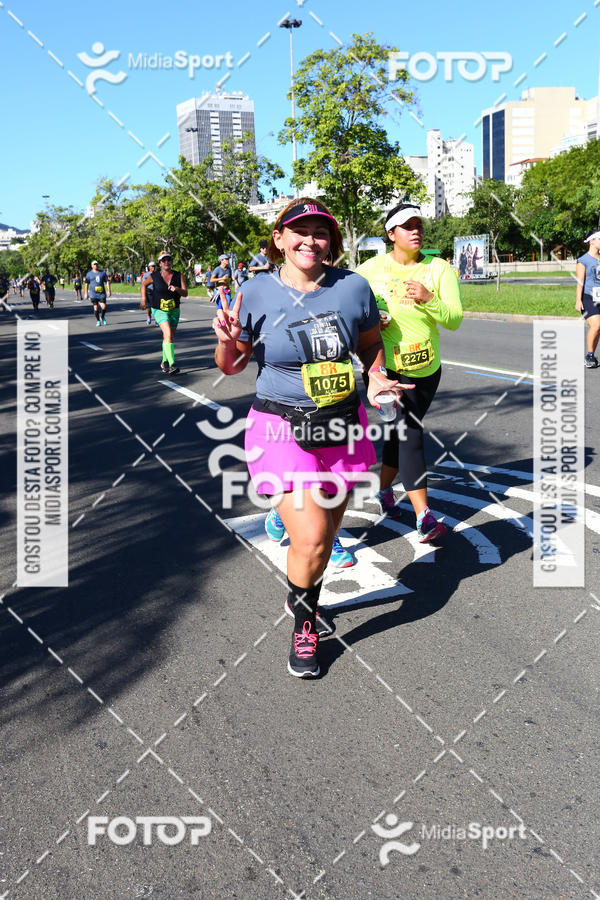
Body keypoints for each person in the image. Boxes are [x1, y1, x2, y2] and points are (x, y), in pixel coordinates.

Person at [213, 197, 410, 678]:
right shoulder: (255, 291)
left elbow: (368, 346)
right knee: (313, 536)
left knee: (322, 544)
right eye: (299, 231)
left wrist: (377, 376)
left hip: (341, 422)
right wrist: (226, 339)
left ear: (332, 242)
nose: (310, 240)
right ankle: (305, 625)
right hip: (280, 424)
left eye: (321, 232)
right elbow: (233, 365)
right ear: (279, 239)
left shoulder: (353, 288)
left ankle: (302, 590)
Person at [356, 202, 463, 542]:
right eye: (407, 226)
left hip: (427, 370)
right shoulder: (367, 271)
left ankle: (384, 491)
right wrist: (374, 319)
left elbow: (454, 320)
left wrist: (430, 298)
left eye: (418, 224)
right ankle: (424, 516)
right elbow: (352, 314)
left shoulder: (439, 269)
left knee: (397, 434)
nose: (415, 230)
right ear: (391, 234)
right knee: (409, 432)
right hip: (384, 369)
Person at [140, 250, 187, 375]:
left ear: (171, 262)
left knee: (169, 337)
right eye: (164, 260)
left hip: (174, 310)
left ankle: (164, 361)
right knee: (167, 333)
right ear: (160, 263)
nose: (167, 262)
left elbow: (185, 293)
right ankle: (172, 364)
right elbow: (144, 285)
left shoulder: (178, 275)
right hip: (159, 309)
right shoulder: (154, 276)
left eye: (169, 259)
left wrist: (177, 289)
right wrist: (144, 299)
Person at [575, 230, 600, 368]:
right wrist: (578, 300)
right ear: (592, 241)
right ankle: (589, 356)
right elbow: (580, 282)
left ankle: (592, 355)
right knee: (596, 325)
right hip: (588, 297)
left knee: (598, 328)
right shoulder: (583, 260)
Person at [85, 260, 111, 326]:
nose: (95, 265)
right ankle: (98, 321)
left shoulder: (102, 273)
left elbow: (107, 281)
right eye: (94, 264)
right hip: (93, 294)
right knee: (95, 308)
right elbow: (86, 284)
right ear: (92, 266)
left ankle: (102, 317)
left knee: (104, 307)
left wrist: (109, 290)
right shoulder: (89, 274)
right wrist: (86, 293)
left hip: (101, 293)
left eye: (96, 264)